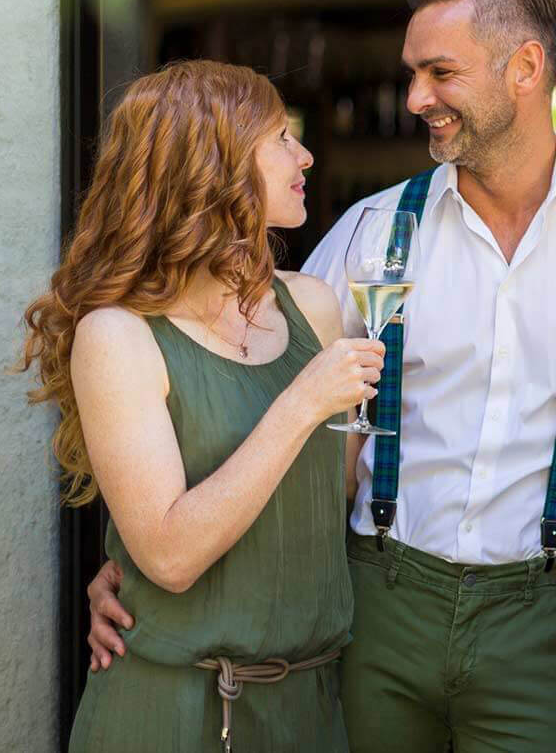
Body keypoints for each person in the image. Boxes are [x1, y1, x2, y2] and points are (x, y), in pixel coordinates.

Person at [87, 0, 556, 751]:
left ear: (525, 67)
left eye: (439, 72)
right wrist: (136, 562)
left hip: (536, 608)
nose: (416, 98)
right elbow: (240, 393)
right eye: (410, 74)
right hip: (373, 599)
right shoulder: (371, 234)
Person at [22, 61, 385, 752]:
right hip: (173, 711)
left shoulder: (311, 304)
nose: (305, 154)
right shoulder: (118, 335)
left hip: (309, 706)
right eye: (280, 136)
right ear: (209, 165)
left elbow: (326, 495)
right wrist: (301, 402)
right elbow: (171, 559)